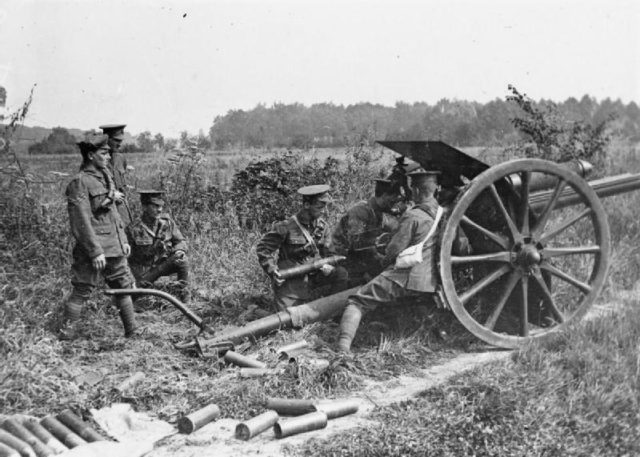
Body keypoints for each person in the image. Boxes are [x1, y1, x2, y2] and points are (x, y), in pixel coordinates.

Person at [337, 169, 466, 352]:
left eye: (412, 189)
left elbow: (393, 250)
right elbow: (459, 246)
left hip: (406, 277)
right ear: (435, 189)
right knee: (414, 303)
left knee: (357, 302)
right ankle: (439, 339)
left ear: (417, 191)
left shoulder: (413, 216)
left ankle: (342, 349)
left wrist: (382, 261)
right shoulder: (446, 215)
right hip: (431, 281)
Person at [61, 133, 138, 339]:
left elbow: (112, 213)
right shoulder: (80, 182)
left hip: (114, 246)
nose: (108, 157)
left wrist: (123, 240)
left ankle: (133, 333)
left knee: (123, 287)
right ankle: (66, 337)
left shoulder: (105, 177)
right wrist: (95, 252)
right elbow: (81, 220)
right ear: (90, 155)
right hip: (94, 250)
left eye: (108, 153)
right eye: (103, 153)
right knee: (82, 290)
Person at [256, 184, 349, 311]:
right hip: (292, 277)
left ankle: (334, 312)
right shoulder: (286, 226)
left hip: (315, 274)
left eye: (325, 207)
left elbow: (329, 252)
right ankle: (254, 311)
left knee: (341, 274)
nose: (324, 211)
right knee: (288, 319)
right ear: (306, 205)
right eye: (319, 207)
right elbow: (263, 248)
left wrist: (329, 266)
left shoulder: (323, 227)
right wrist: (273, 271)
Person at [328, 179, 402, 285]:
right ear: (385, 196)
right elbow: (355, 244)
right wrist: (376, 252)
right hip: (342, 257)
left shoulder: (378, 213)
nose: (393, 205)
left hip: (359, 256)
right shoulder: (361, 211)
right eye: (392, 201)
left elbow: (391, 228)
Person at [126, 191, 190, 302]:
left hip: (162, 265)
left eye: (161, 206)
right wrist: (132, 279)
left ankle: (184, 297)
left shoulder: (167, 222)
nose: (159, 210)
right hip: (143, 272)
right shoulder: (133, 229)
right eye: (155, 206)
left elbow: (181, 241)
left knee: (182, 260)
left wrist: (178, 250)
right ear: (144, 207)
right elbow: (124, 259)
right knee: (133, 299)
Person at [99, 123, 132, 225]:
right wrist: (112, 195)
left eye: (121, 141)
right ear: (106, 139)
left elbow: (122, 182)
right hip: (106, 210)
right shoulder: (97, 159)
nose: (119, 144)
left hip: (122, 209)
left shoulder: (121, 158)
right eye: (116, 141)